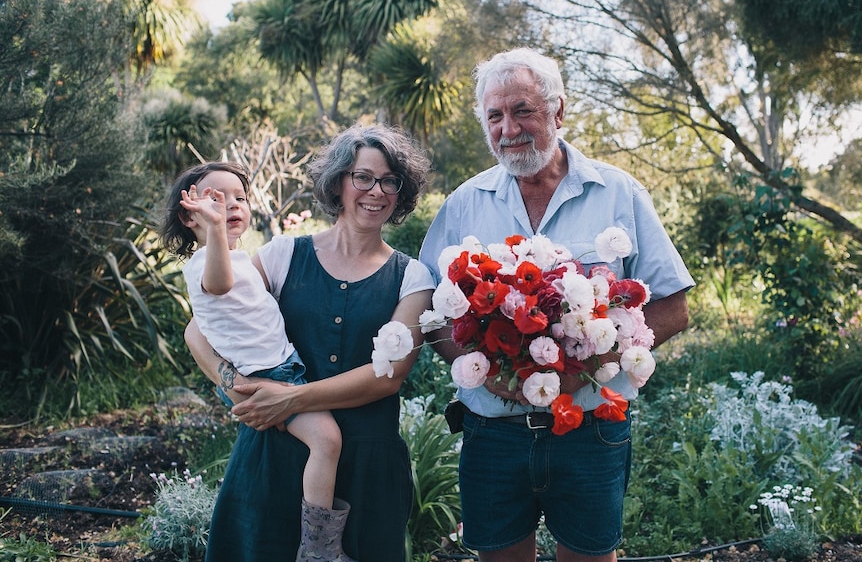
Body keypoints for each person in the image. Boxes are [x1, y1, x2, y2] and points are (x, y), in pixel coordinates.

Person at [418, 48, 695, 562]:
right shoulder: (464, 203)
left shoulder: (619, 194)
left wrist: (589, 366)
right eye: (494, 116)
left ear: (558, 111)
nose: (508, 129)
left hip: (591, 429)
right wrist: (480, 369)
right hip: (494, 430)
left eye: (523, 110)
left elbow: (673, 307)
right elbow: (431, 315)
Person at [184, 125, 434, 562]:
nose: (376, 191)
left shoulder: (413, 278)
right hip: (271, 457)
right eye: (363, 176)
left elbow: (387, 376)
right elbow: (199, 327)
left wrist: (290, 398)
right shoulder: (283, 254)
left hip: (367, 467)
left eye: (390, 181)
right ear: (338, 181)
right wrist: (234, 382)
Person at [159, 161, 354, 561]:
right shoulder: (205, 266)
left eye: (239, 198)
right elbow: (219, 283)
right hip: (265, 377)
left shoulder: (243, 259)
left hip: (282, 368)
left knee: (321, 442)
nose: (229, 206)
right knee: (327, 439)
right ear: (188, 214)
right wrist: (213, 229)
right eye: (215, 199)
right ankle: (319, 550)